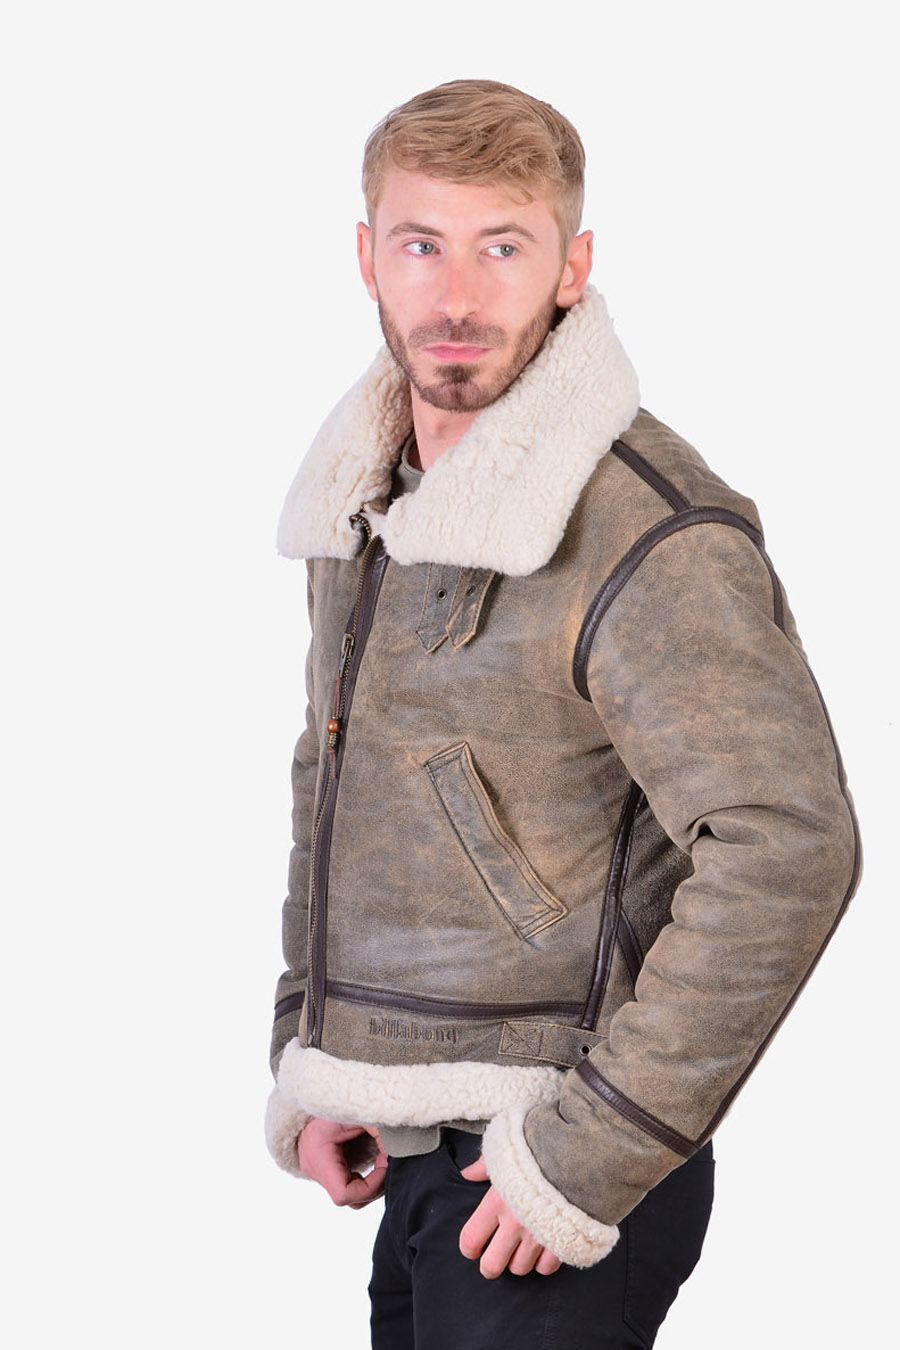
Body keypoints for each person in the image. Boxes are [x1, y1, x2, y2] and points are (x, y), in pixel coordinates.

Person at [264, 79, 859, 1349]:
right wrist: (325, 1056)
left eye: (503, 247)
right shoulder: (370, 503)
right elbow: (339, 777)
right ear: (366, 257)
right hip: (419, 1155)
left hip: (552, 1169)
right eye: (421, 245)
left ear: (572, 267)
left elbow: (789, 846)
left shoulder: (646, 529)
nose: (457, 295)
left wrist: (590, 1154)